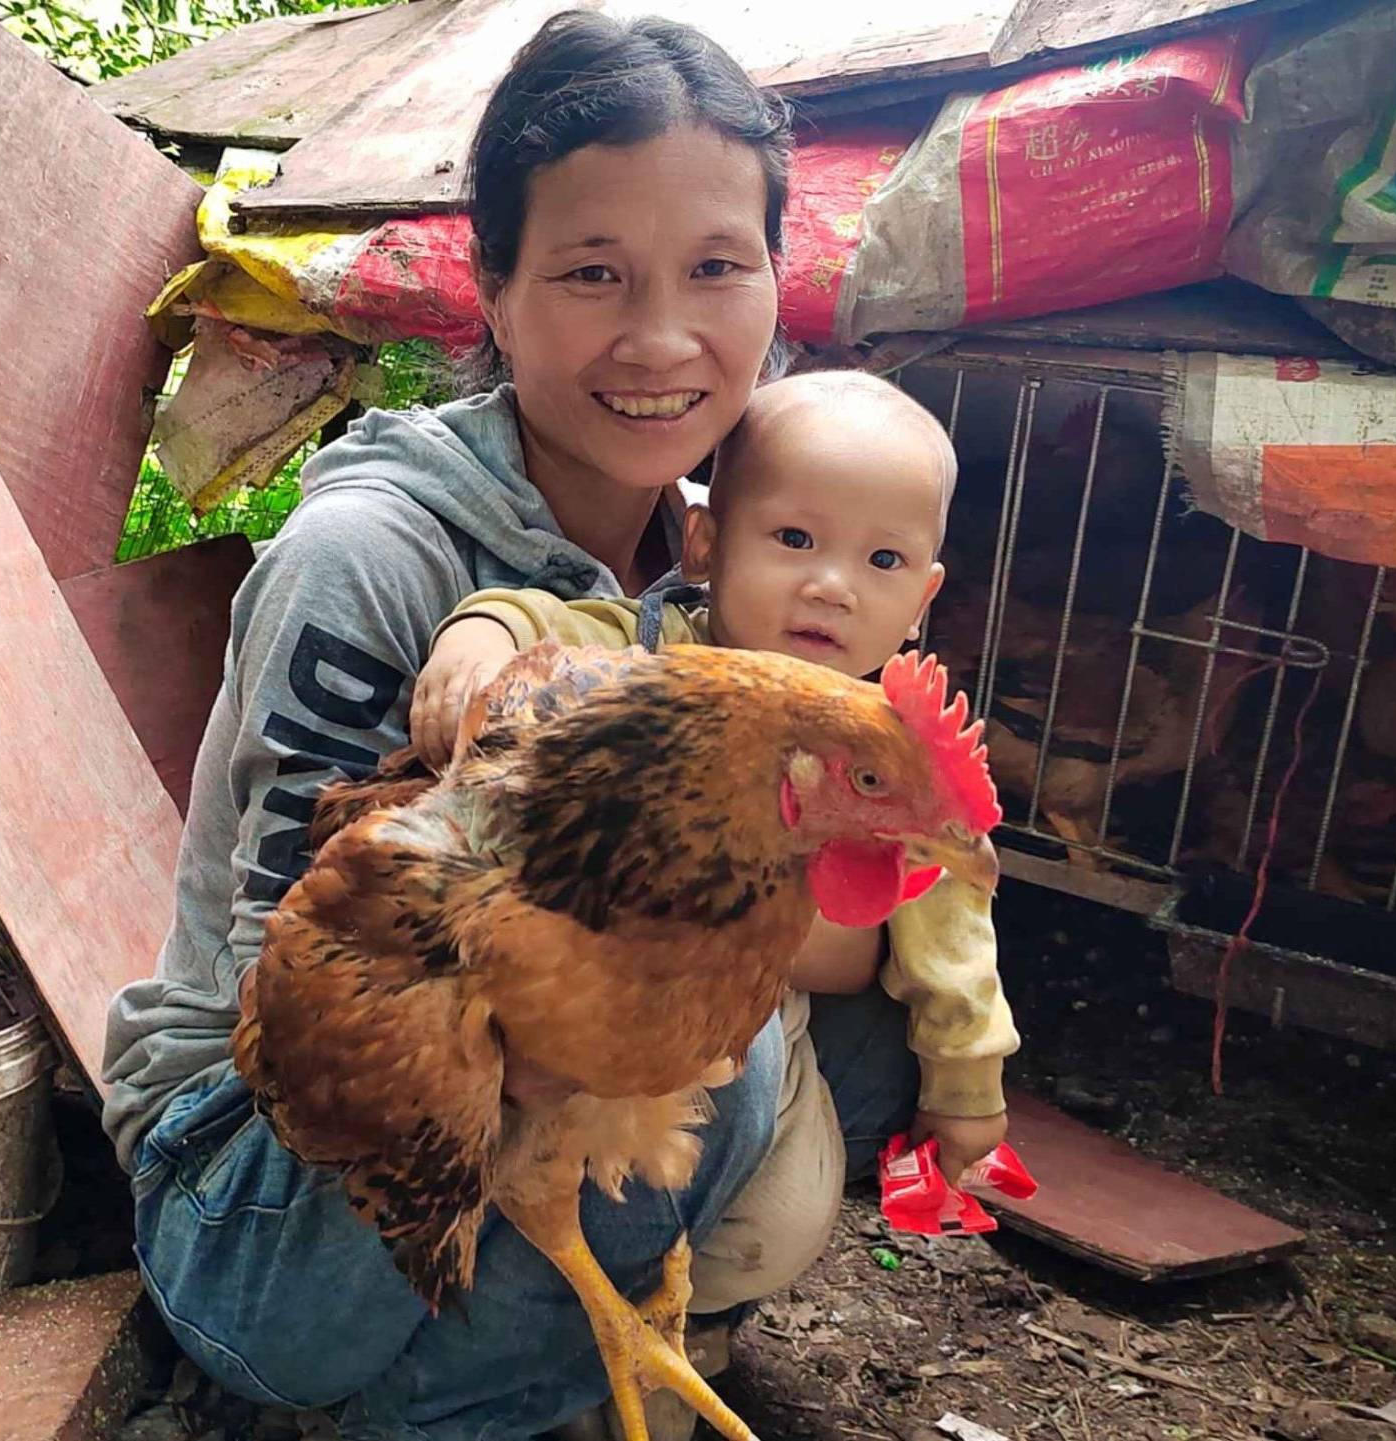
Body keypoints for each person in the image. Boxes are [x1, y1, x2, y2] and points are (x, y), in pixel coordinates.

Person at [102, 14, 922, 1436]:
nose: (662, 337)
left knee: (822, 1036)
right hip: (270, 1163)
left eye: (717, 267)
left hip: (539, 1093)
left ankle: (543, 1341)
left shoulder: (736, 558)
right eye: (592, 272)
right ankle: (417, 1382)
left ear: (775, 283)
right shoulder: (368, 556)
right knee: (697, 1058)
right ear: (490, 286)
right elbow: (307, 1021)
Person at [412, 368, 1018, 1319]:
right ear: (702, 542)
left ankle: (676, 1317)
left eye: (883, 562)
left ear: (925, 597)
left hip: (766, 1031)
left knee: (772, 1224)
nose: (831, 584)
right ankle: (553, 1332)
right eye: (793, 538)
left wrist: (967, 1084)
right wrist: (483, 630)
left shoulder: (888, 752)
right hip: (595, 1011)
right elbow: (557, 622)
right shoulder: (657, 656)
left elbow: (954, 944)